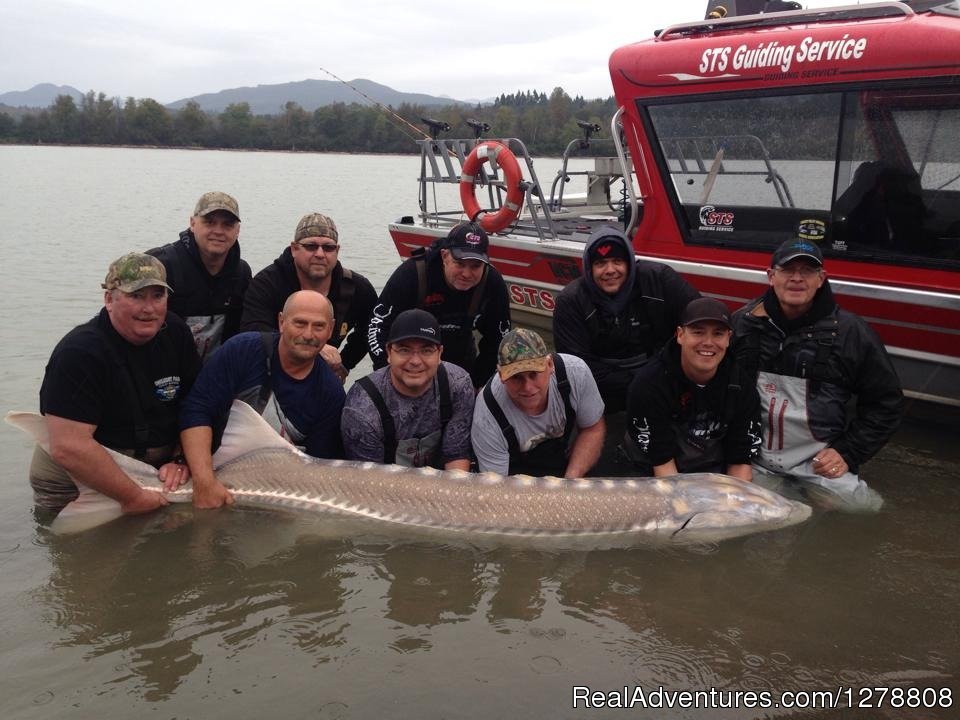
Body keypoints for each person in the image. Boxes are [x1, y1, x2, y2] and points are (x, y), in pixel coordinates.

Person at [731, 238, 904, 510]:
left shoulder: (852, 333)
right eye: (788, 270)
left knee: (865, 510)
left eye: (807, 271)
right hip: (756, 460)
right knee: (747, 511)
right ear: (771, 276)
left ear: (821, 279)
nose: (797, 278)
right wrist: (735, 454)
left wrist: (847, 452)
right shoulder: (743, 324)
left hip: (819, 464)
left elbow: (887, 404)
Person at [30, 253, 200, 515]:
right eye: (136, 296)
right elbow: (68, 447)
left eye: (157, 296)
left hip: (149, 469)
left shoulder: (175, 332)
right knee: (78, 550)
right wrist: (131, 497)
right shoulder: (79, 352)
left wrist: (181, 458)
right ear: (109, 299)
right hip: (74, 474)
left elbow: (195, 404)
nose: (149, 308)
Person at [178, 290, 346, 507]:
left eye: (319, 326)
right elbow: (196, 411)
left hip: (278, 490)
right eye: (300, 323)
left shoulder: (331, 393)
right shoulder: (242, 350)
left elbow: (319, 466)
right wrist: (203, 480)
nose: (308, 334)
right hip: (210, 470)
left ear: (331, 329)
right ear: (281, 322)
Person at [553, 226, 700, 413]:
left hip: (661, 372)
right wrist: (642, 384)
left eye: (617, 261)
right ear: (589, 268)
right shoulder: (571, 301)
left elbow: (700, 319)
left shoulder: (660, 279)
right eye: (600, 263)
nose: (610, 270)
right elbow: (575, 364)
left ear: (630, 263)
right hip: (604, 387)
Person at [622, 297, 762, 480]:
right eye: (698, 332)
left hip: (712, 471)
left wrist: (732, 505)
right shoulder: (648, 385)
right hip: (656, 471)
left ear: (729, 338)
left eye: (718, 334)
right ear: (680, 335)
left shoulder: (743, 387)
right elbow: (663, 467)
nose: (708, 342)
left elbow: (740, 463)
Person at [368, 222, 511, 388]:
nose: (466, 273)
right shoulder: (413, 273)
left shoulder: (492, 283)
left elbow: (499, 340)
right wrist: (387, 371)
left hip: (461, 360)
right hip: (410, 362)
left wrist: (477, 383)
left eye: (475, 266)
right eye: (460, 263)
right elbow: (377, 325)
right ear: (444, 256)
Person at [239, 212, 377, 382]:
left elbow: (371, 331)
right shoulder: (267, 284)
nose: (320, 254)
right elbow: (252, 333)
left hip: (322, 378)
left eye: (328, 247)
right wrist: (315, 348)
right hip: (268, 374)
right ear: (294, 249)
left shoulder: (357, 289)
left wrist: (345, 365)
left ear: (337, 250)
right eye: (311, 246)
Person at [342, 309, 474, 470]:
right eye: (404, 350)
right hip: (383, 486)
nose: (415, 361)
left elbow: (456, 455)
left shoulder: (458, 384)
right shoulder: (361, 407)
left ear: (439, 354)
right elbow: (370, 481)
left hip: (442, 485)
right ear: (389, 353)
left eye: (426, 350)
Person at [471, 328, 606, 478]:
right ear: (501, 374)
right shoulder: (486, 414)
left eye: (534, 374)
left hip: (569, 464)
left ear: (550, 365)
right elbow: (497, 487)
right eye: (516, 377)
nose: (528, 388)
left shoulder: (576, 373)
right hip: (515, 477)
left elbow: (592, 429)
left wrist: (570, 481)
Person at [147, 191, 251, 362]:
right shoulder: (160, 265)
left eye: (227, 225)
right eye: (209, 222)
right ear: (192, 223)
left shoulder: (241, 274)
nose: (218, 231)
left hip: (216, 375)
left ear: (238, 230)